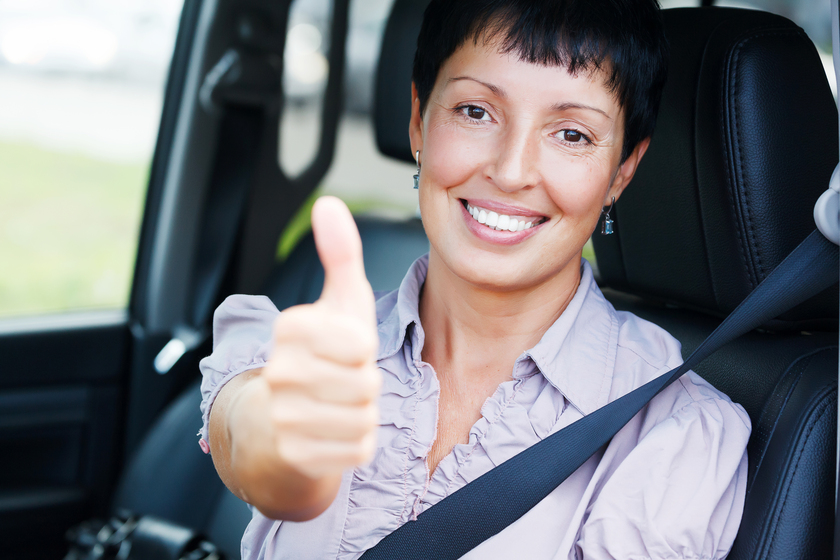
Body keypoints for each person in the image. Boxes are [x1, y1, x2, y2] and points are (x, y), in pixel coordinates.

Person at [199, 0, 751, 558]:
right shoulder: (302, 348)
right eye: (475, 112)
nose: (510, 171)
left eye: (573, 135)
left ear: (622, 172)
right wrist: (287, 450)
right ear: (419, 119)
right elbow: (251, 435)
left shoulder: (672, 433)